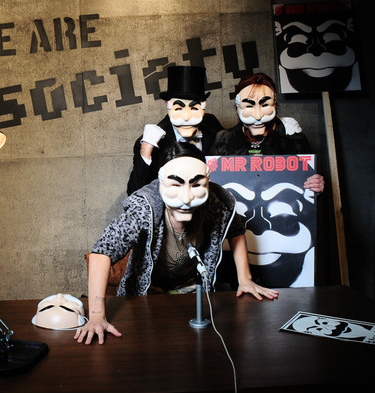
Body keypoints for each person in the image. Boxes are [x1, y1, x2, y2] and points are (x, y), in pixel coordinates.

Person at [75, 142, 278, 345]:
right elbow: (102, 251)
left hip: (192, 293)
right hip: (146, 295)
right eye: (175, 185)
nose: (186, 198)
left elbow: (236, 229)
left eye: (196, 185)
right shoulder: (144, 208)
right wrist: (96, 316)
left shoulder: (217, 203)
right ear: (160, 182)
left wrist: (245, 279)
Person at [208, 72, 324, 193]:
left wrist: (315, 186)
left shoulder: (292, 137)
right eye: (249, 106)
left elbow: (307, 183)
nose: (258, 116)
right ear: (237, 108)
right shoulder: (222, 140)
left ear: (274, 105)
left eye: (265, 105)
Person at [126, 65, 223, 195]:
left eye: (194, 108)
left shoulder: (212, 125)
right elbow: (134, 193)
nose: (186, 117)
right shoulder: (152, 143)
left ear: (203, 105)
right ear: (167, 105)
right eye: (178, 108)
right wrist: (146, 151)